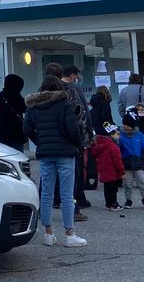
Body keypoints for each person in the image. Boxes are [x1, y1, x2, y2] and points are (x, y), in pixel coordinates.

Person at [21, 76, 87, 247]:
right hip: (65, 153)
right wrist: (77, 145)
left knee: (46, 193)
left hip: (45, 152)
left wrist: (40, 141)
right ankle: (69, 234)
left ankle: (48, 233)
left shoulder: (34, 106)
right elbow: (73, 129)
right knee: (66, 194)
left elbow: (26, 128)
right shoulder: (65, 104)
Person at [61, 65, 93, 219]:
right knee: (76, 171)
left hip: (54, 140)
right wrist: (87, 134)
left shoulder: (50, 91)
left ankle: (46, 210)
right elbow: (83, 114)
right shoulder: (74, 90)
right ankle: (76, 203)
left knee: (49, 176)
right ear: (73, 75)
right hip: (73, 138)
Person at [118, 109, 144, 208]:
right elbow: (118, 149)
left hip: (138, 163)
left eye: (127, 124)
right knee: (127, 184)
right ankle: (128, 200)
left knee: (142, 181)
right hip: (126, 163)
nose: (125, 126)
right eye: (124, 124)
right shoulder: (120, 136)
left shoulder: (139, 135)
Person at [91, 123, 125, 211]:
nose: (119, 136)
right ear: (111, 135)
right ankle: (113, 204)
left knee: (107, 189)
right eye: (117, 134)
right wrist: (122, 172)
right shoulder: (113, 147)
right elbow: (118, 162)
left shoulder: (99, 145)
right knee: (113, 190)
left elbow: (94, 154)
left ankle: (108, 203)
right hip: (113, 172)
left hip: (104, 171)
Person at [0, 74, 27, 152]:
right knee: (18, 154)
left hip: (4, 131)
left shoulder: (0, 95)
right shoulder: (16, 96)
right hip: (16, 131)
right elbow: (24, 108)